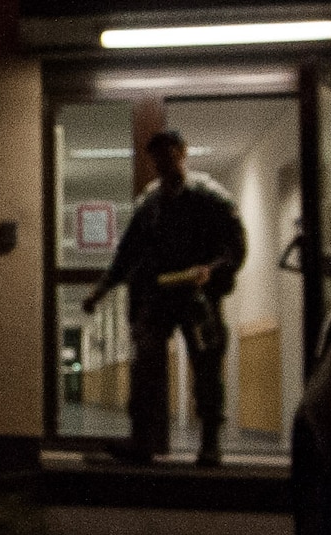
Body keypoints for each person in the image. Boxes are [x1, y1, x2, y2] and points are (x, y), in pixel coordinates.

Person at [83, 129, 246, 466]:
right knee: (145, 367)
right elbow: (127, 253)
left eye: (169, 152)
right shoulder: (149, 203)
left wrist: (212, 269)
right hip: (157, 294)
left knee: (206, 365)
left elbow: (235, 246)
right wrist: (100, 290)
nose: (163, 161)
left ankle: (210, 443)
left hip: (197, 295)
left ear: (183, 152)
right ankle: (142, 440)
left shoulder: (210, 196)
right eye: (157, 156)